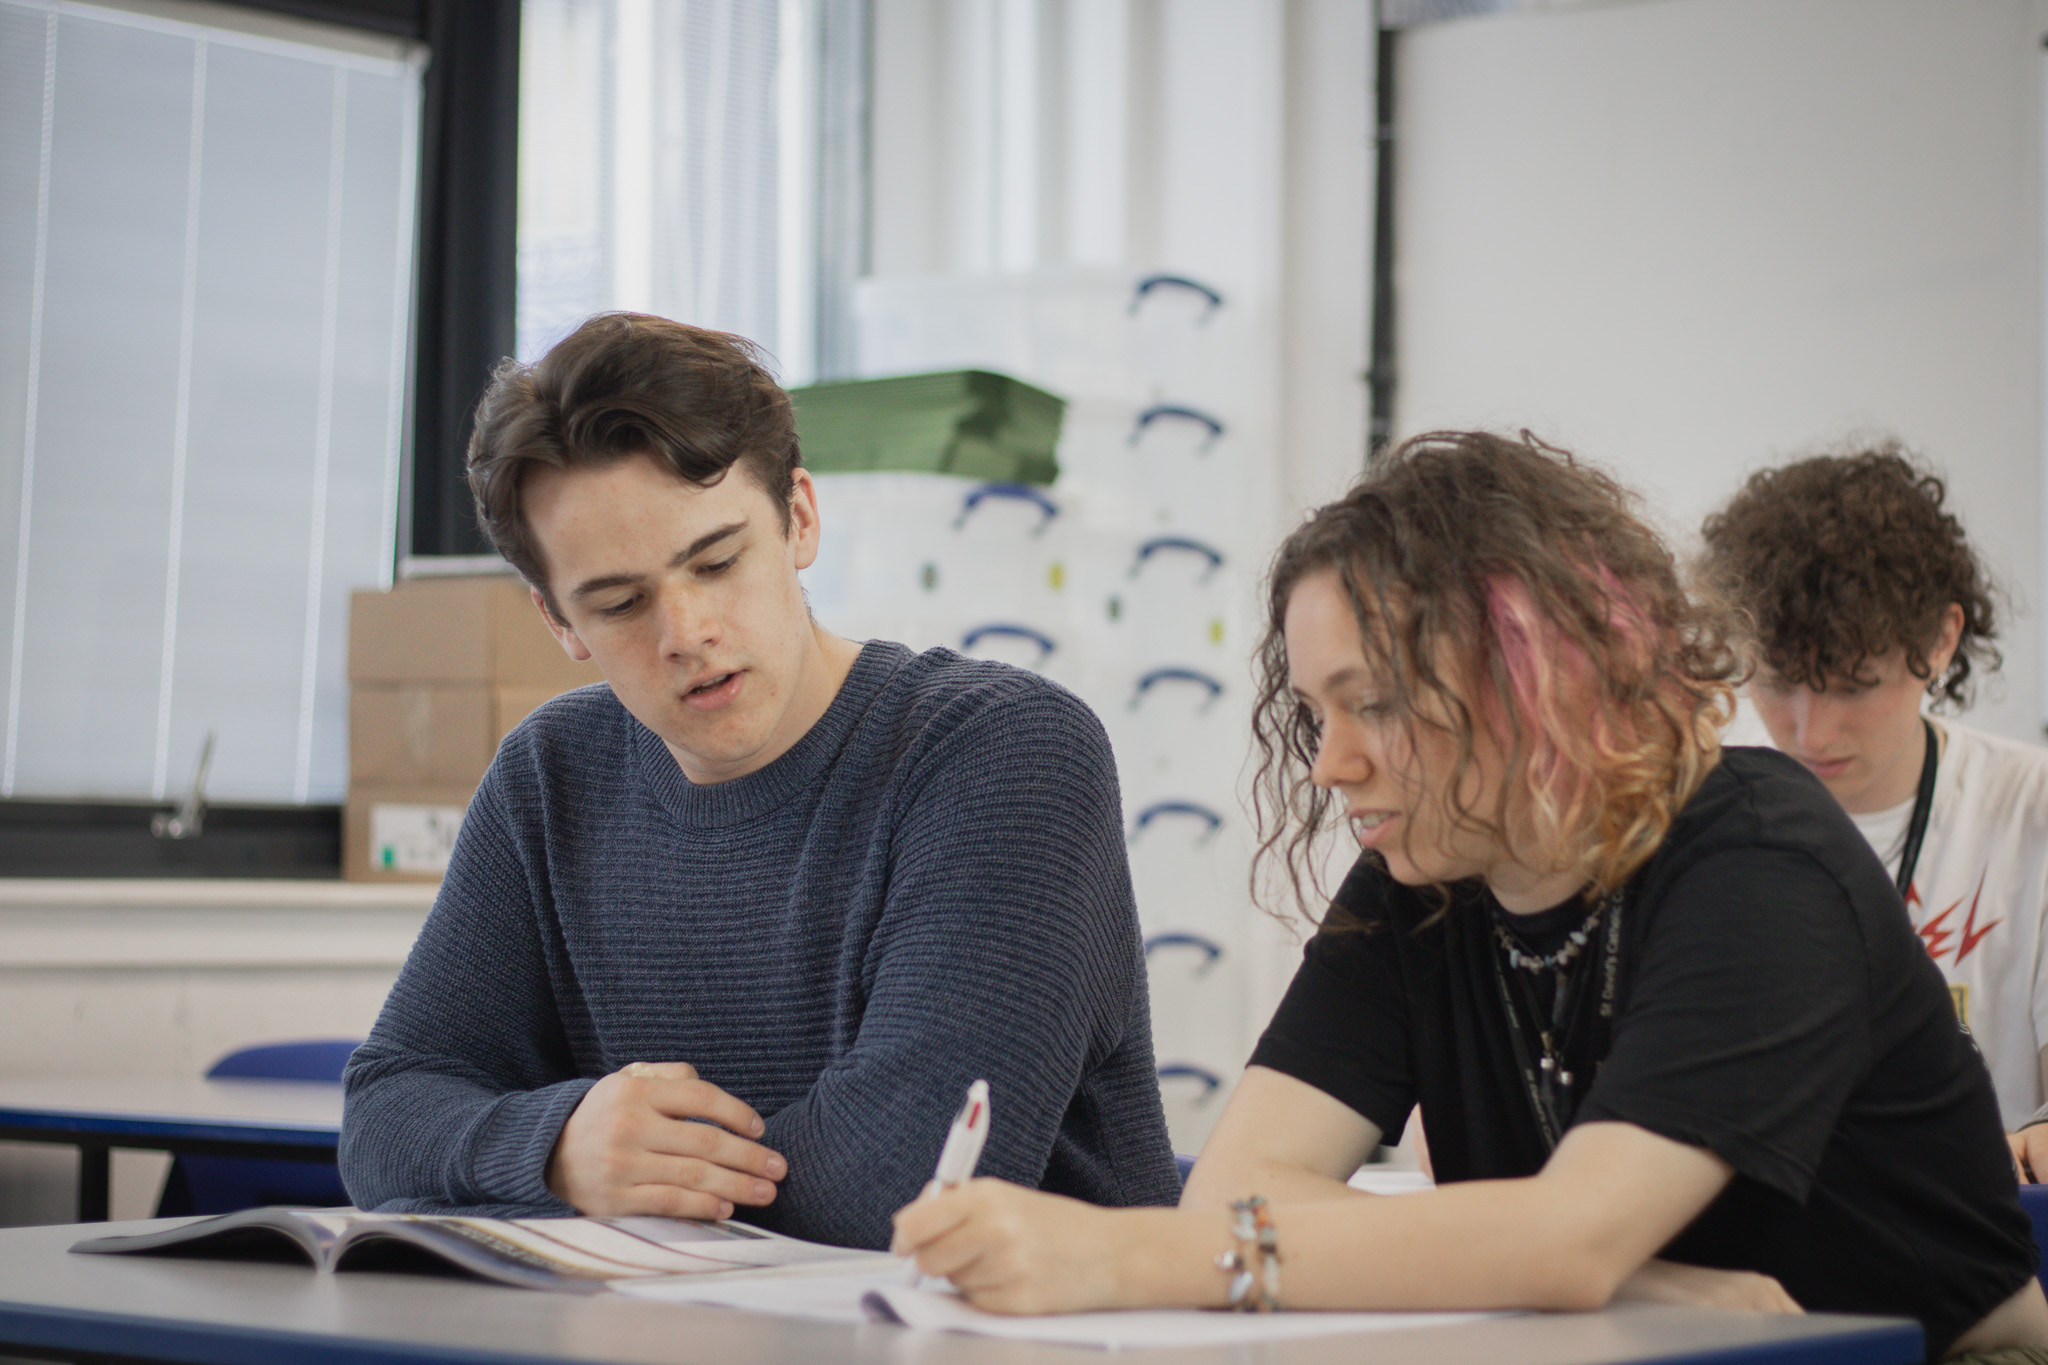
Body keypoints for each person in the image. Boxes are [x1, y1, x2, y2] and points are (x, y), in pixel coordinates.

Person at [890, 431, 2046, 1360]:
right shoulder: (1417, 882)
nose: (1329, 763)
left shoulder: (1759, 859)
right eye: (1315, 713)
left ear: (1532, 678)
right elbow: (1239, 1187)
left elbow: (1568, 1237)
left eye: (1376, 703)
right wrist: (1621, 1278)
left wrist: (1111, 1258)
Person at [339, 312, 1182, 1248]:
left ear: (801, 518)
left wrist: (625, 1175)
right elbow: (384, 1117)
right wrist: (560, 1148)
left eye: (718, 560)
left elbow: (898, 1187)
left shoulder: (1006, 754)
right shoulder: (550, 777)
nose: (687, 631)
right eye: (620, 603)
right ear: (559, 622)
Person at [1699, 448, 2048, 1169]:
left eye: (1854, 685)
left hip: (1973, 1246)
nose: (1810, 731)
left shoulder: (2031, 810)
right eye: (1780, 682)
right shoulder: (1697, 816)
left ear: (1941, 639)